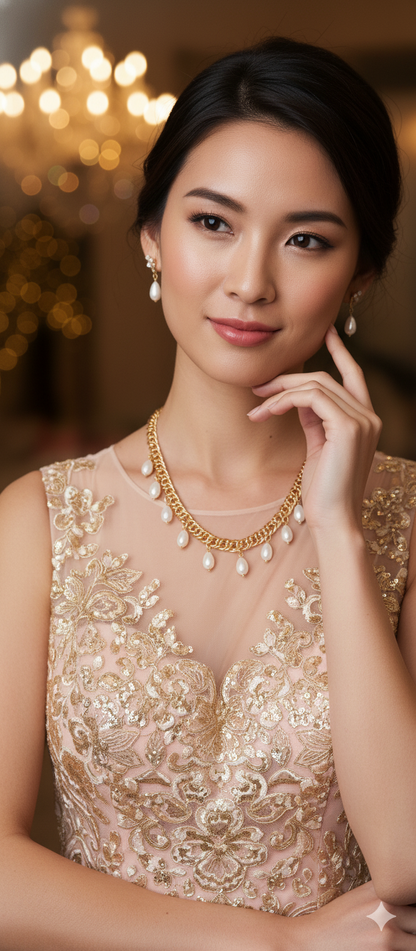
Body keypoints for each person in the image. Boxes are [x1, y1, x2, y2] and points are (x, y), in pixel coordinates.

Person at [0, 35, 415, 951]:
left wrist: (341, 533)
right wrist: (279, 944)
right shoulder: (38, 520)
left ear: (360, 276)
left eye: (306, 239)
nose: (250, 281)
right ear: (152, 236)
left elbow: (408, 859)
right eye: (213, 222)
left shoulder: (407, 520)